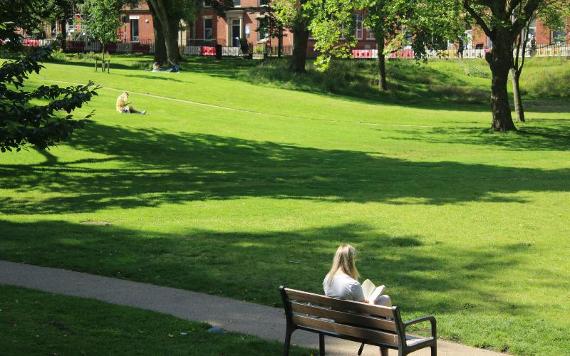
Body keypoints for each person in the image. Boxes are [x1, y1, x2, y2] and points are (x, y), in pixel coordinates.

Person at [323, 243, 391, 306]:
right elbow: (365, 311)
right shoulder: (353, 284)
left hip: (335, 316)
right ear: (351, 261)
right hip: (353, 318)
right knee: (385, 298)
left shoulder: (328, 279)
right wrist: (371, 301)